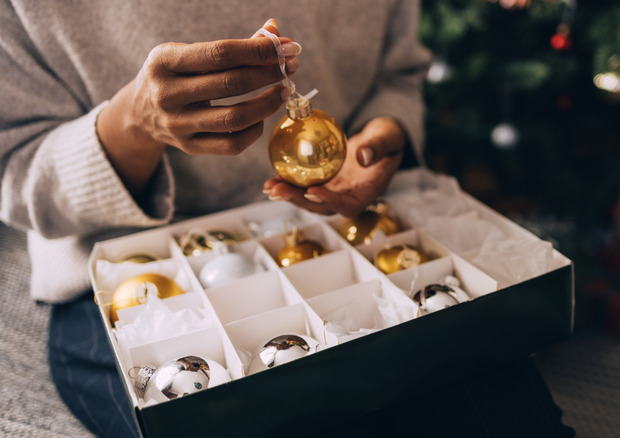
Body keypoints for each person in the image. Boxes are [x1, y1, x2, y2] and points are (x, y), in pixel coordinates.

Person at [1, 1, 574, 436]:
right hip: (130, 271)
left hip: (342, 224)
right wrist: (132, 125)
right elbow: (14, 168)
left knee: (495, 404)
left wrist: (383, 138)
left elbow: (397, 76)